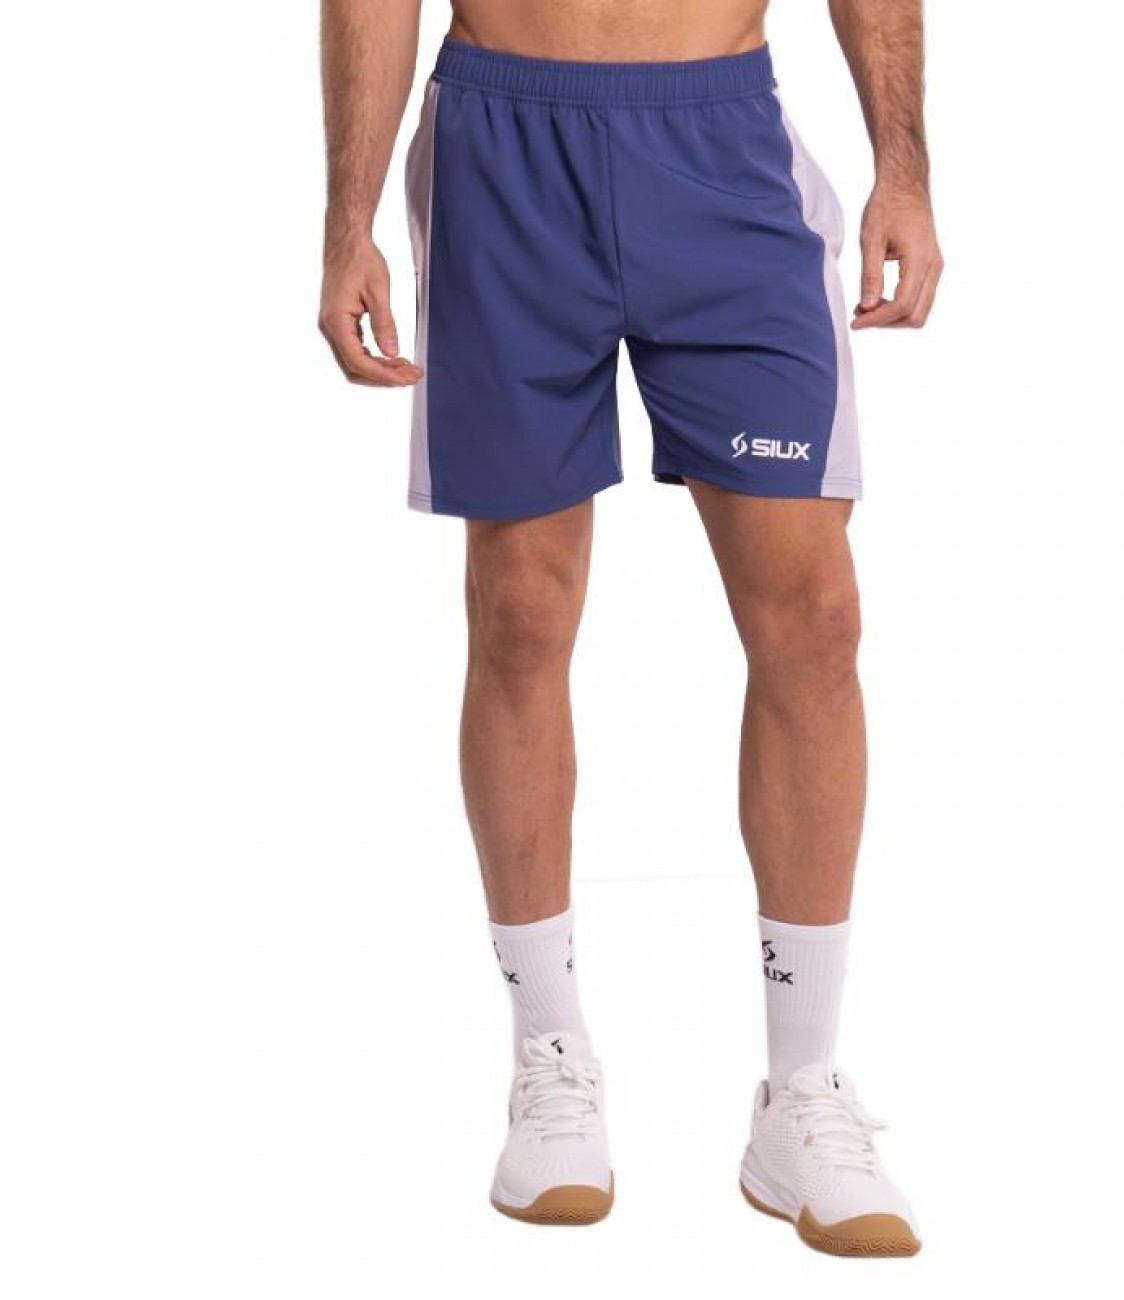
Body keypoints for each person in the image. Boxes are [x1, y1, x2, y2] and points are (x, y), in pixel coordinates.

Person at [319, 0, 941, 1257]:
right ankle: (548, 1056)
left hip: (720, 143)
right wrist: (349, 220)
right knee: (520, 609)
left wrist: (904, 168)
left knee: (814, 618)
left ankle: (801, 1089)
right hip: (504, 139)